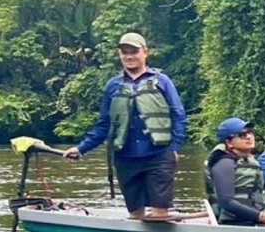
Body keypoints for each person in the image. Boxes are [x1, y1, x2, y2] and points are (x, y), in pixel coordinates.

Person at [64, 31, 187, 220]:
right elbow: (104, 125)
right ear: (119, 54)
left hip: (159, 155)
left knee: (160, 212)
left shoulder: (162, 81)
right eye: (124, 52)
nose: (129, 56)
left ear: (145, 52)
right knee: (135, 212)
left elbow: (178, 115)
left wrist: (174, 148)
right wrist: (81, 148)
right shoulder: (113, 85)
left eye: (134, 51)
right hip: (125, 156)